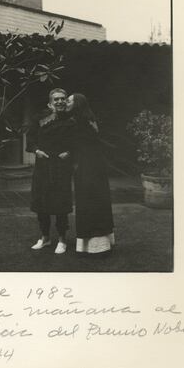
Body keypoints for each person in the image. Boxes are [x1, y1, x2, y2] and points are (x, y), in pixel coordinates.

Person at [26, 88, 75, 254]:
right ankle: (45, 238)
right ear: (50, 103)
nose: (60, 102)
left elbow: (80, 141)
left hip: (62, 166)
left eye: (63, 99)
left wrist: (70, 152)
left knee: (61, 203)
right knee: (42, 203)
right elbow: (31, 139)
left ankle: (62, 240)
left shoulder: (72, 119)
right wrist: (36, 151)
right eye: (56, 100)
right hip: (44, 165)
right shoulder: (39, 118)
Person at [67, 93, 115, 256]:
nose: (66, 103)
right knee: (97, 199)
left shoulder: (78, 121)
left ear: (77, 104)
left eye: (69, 101)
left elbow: (77, 144)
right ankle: (101, 241)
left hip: (87, 166)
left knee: (89, 200)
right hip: (94, 165)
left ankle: (96, 244)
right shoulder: (88, 119)